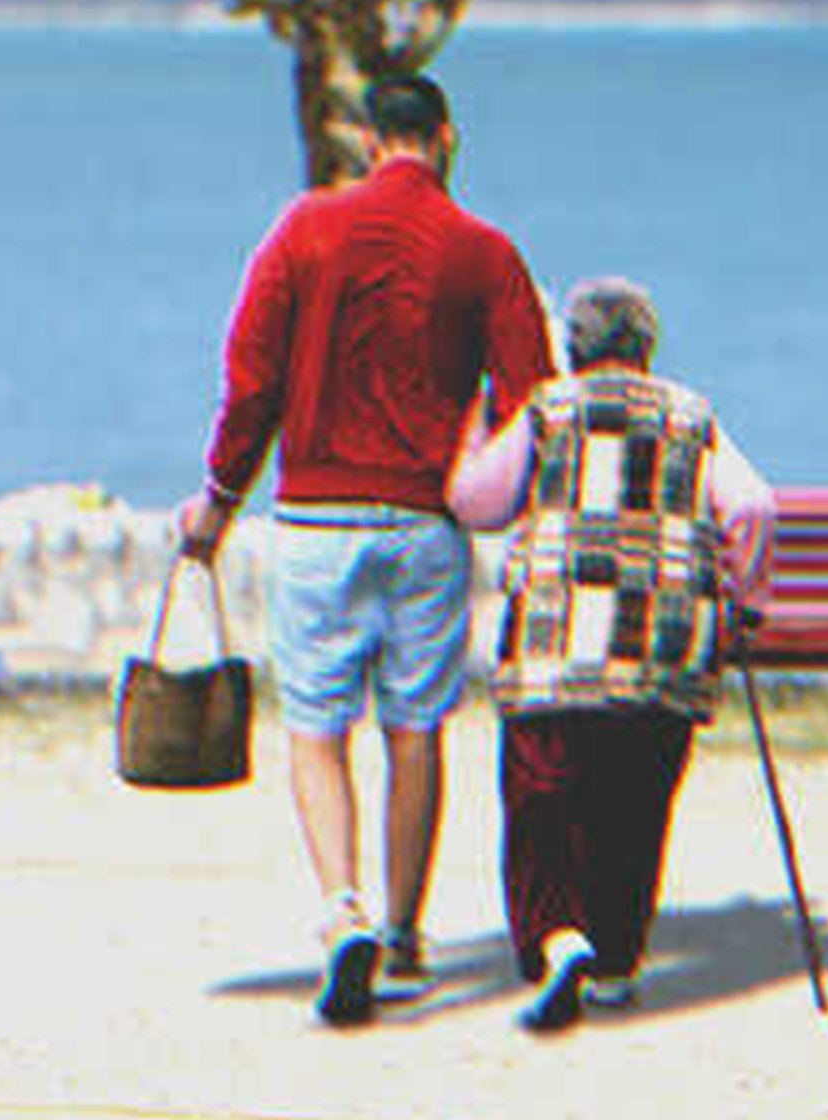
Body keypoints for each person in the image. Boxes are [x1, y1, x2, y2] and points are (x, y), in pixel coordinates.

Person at [176, 74, 556, 1027]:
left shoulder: (303, 230)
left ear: (366, 139)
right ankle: (405, 934)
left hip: (313, 517)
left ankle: (341, 908)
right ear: (446, 138)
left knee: (315, 727)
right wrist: (493, 483)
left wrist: (220, 500)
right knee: (415, 728)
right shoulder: (485, 251)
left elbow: (251, 379)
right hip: (426, 524)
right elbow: (532, 404)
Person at [447, 277, 775, 1035]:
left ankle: (558, 940)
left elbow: (478, 502)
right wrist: (746, 599)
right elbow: (753, 507)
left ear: (576, 346)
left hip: (555, 653)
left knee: (541, 804)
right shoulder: (691, 415)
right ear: (647, 348)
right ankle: (619, 963)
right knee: (635, 808)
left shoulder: (548, 409)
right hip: (661, 656)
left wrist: (470, 431)